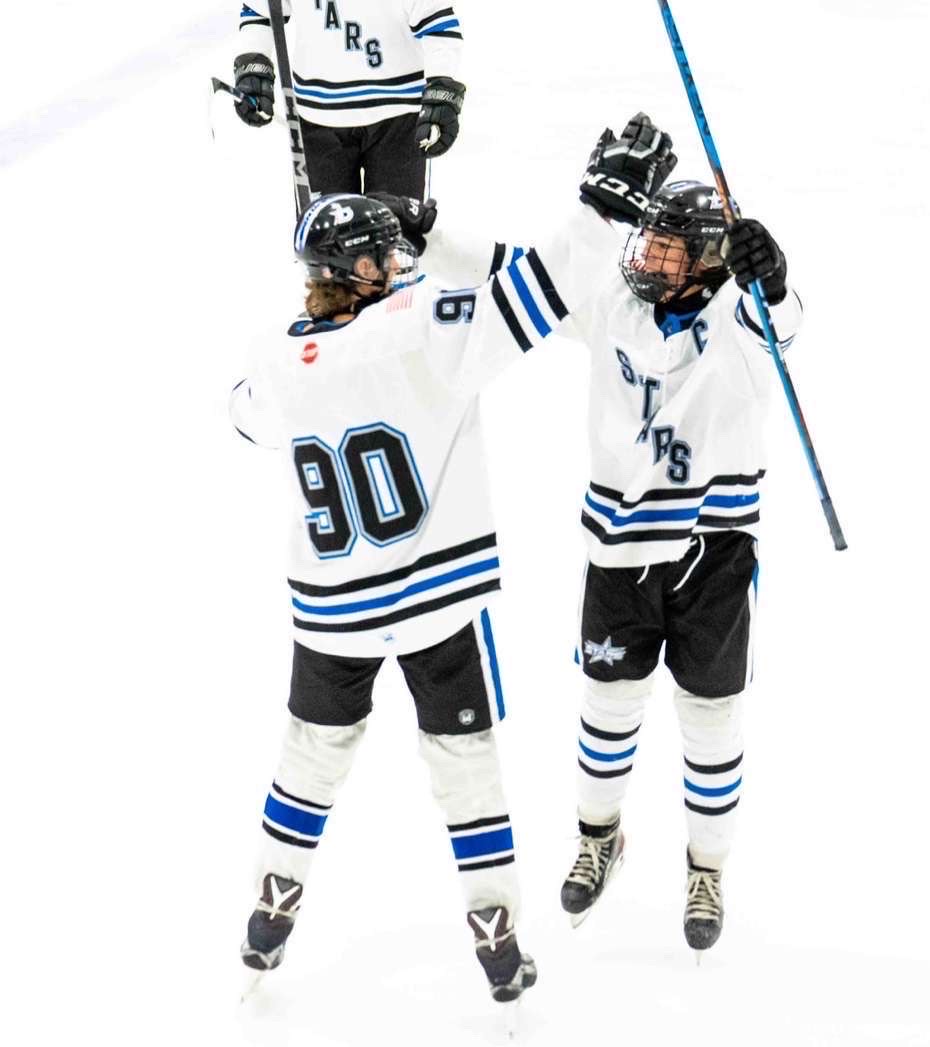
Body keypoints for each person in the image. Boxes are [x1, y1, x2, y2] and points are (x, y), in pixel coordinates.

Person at [228, 114, 675, 1004]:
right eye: (385, 258)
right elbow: (541, 292)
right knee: (464, 759)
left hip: (331, 609)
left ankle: (268, 913)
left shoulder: (275, 357)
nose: (401, 265)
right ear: (359, 271)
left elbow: (248, 415)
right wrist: (600, 207)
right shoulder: (425, 321)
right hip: (433, 601)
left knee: (309, 756)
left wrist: (322, 330)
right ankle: (496, 937)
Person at [419, 173, 803, 955]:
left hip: (714, 554)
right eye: (648, 240)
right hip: (618, 551)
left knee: (709, 719)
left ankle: (706, 868)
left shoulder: (739, 315)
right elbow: (512, 266)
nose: (647, 257)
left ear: (704, 261)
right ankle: (599, 836)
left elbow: (782, 327)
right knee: (606, 707)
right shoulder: (614, 305)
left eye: (666, 248)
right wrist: (426, 233)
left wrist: (775, 278)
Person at [231, 1, 466, 198]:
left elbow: (438, 25)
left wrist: (441, 86)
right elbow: (260, 11)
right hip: (318, 120)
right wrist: (254, 63)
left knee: (398, 238)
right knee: (328, 243)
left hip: (398, 121)